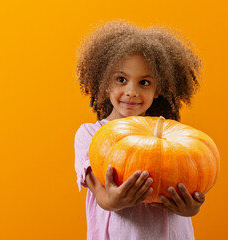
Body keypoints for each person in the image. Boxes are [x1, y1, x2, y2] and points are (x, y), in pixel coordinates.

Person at [74, 20, 206, 240]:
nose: (131, 91)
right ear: (106, 82)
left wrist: (190, 208)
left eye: (144, 82)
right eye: (121, 79)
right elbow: (102, 197)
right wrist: (116, 199)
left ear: (157, 90)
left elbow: (189, 197)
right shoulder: (90, 135)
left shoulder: (172, 138)